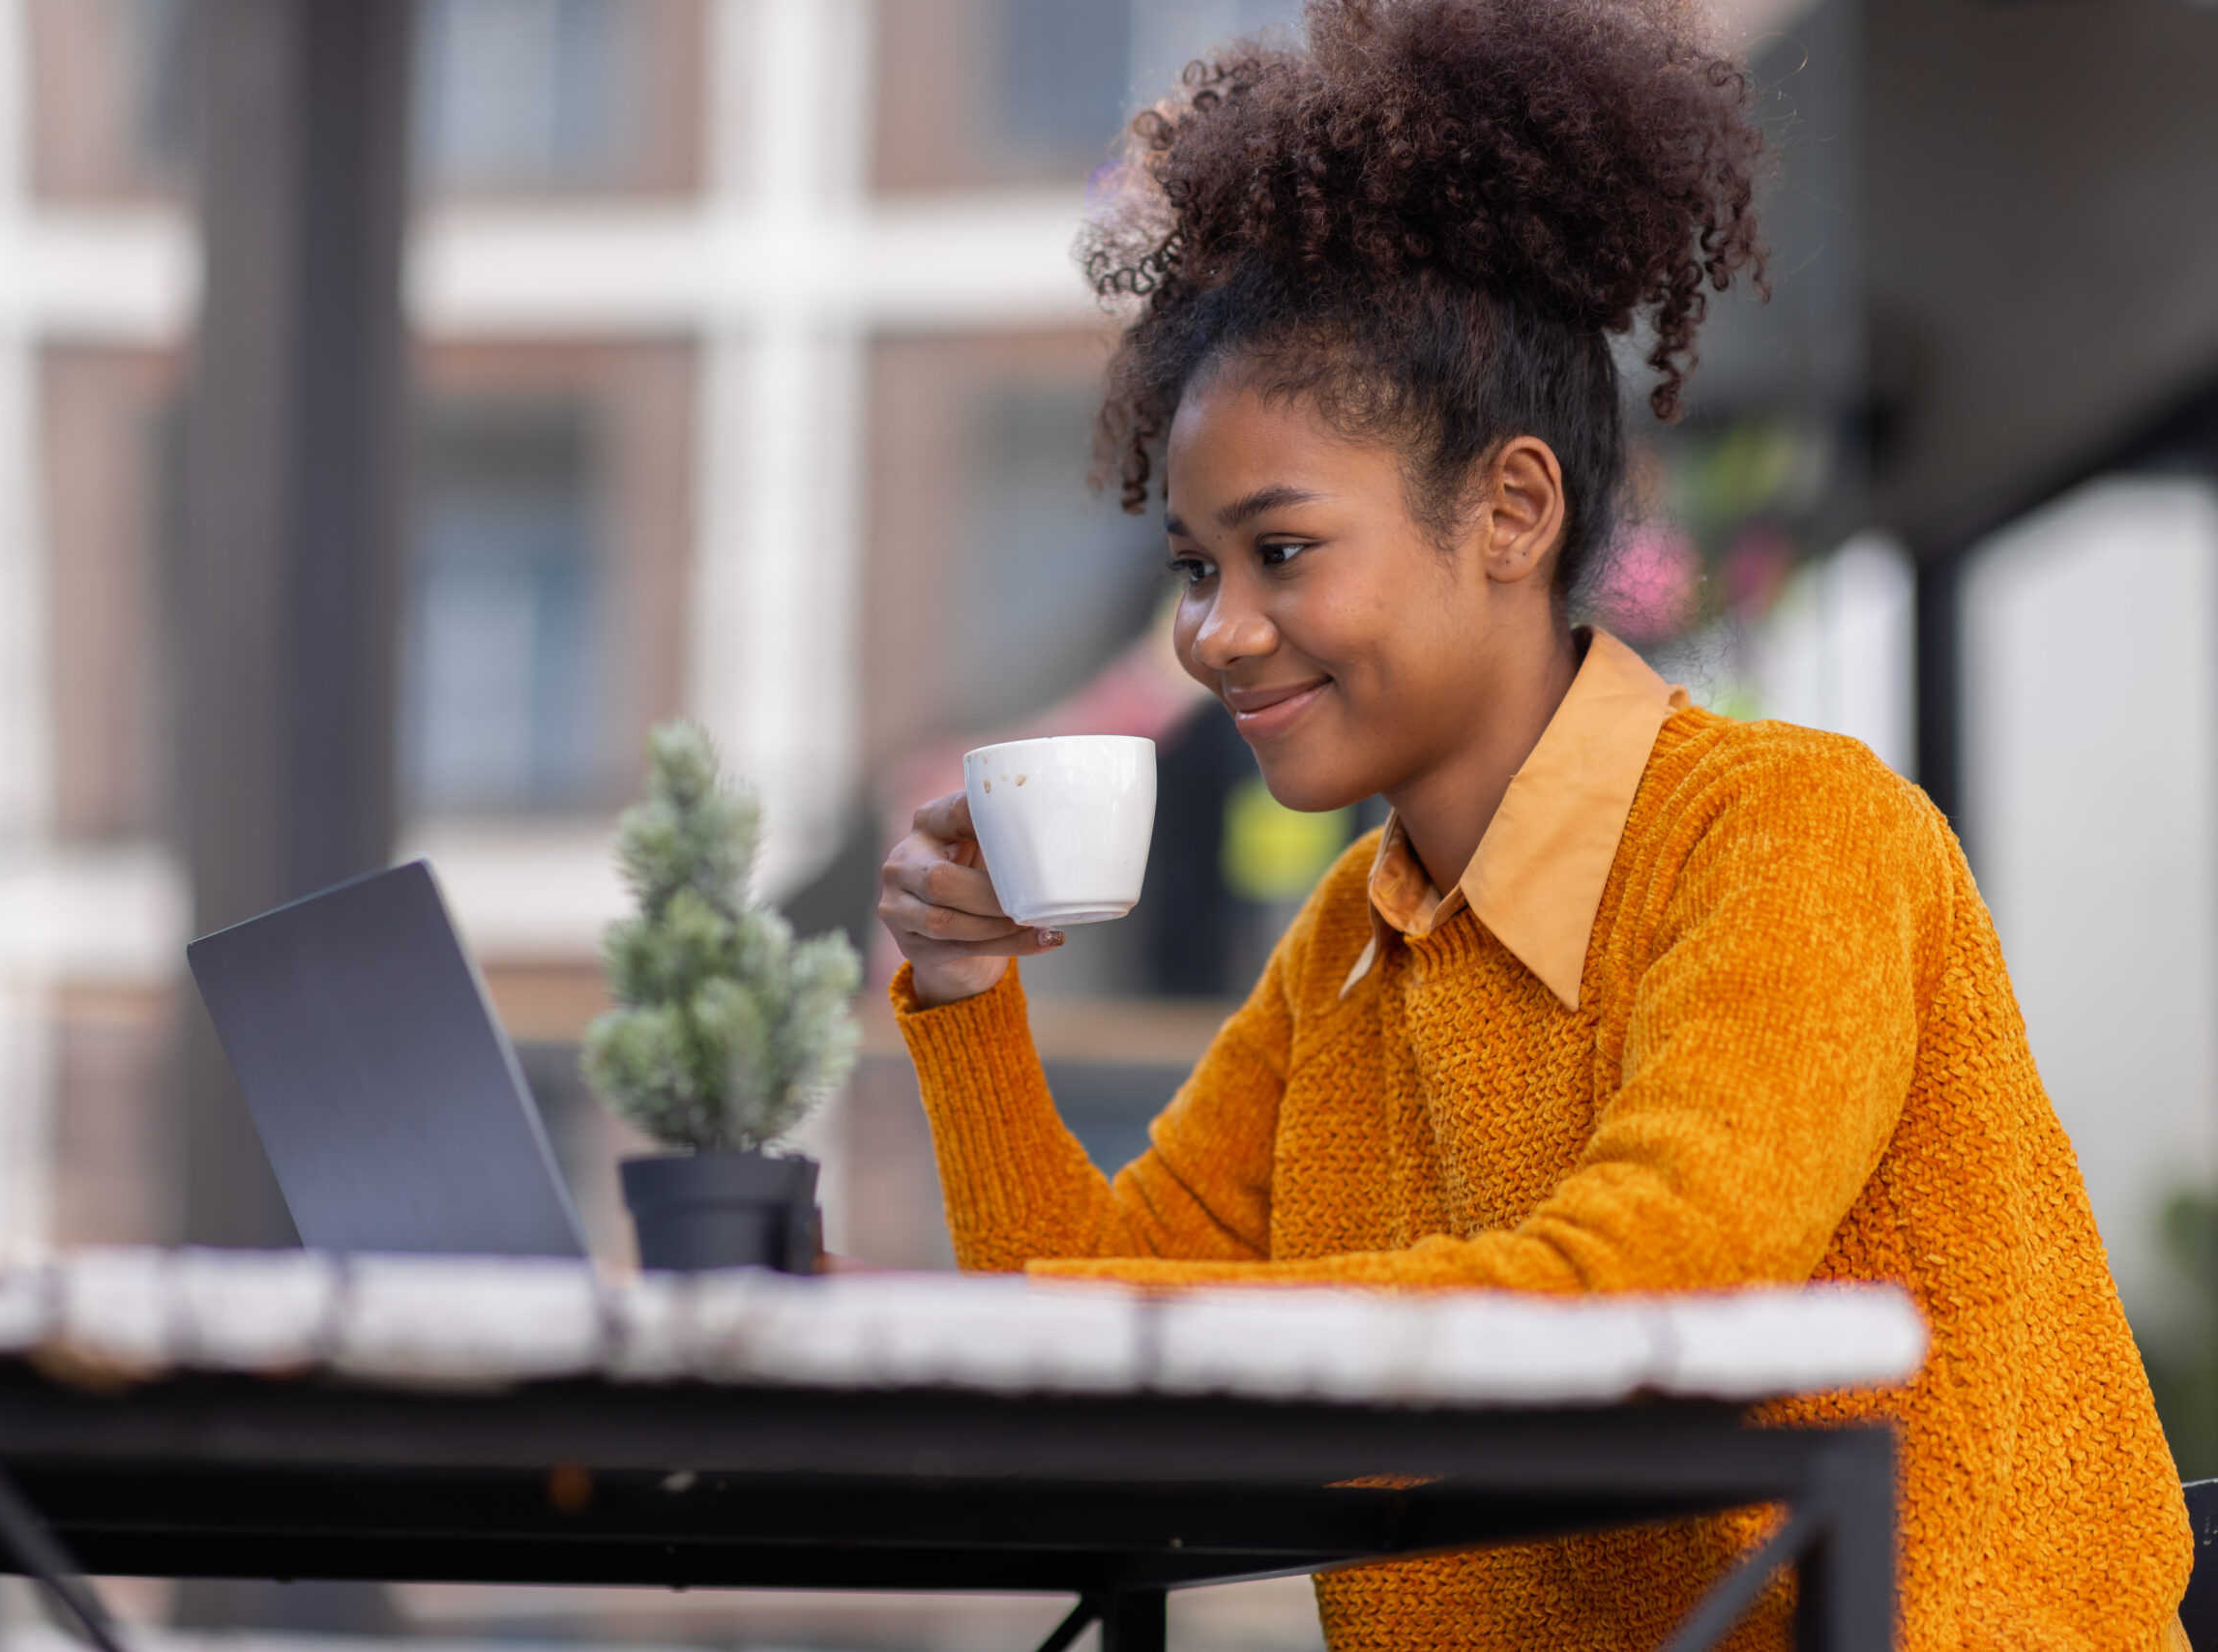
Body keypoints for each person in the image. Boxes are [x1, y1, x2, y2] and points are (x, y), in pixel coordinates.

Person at [874, 1, 2192, 1646]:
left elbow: (1651, 1279)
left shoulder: (1798, 838)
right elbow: (1079, 1373)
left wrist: (1136, 1324)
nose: (1213, 633)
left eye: (1280, 552)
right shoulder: (1348, 954)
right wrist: (964, 1001)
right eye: (1195, 571)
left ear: (1511, 510)